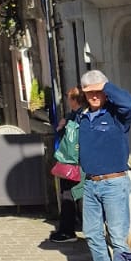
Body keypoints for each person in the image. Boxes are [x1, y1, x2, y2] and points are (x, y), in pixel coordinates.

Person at [75, 69, 131, 261]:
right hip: (91, 183)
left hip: (114, 182)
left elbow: (130, 104)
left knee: (118, 235)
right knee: (91, 232)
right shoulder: (82, 117)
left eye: (97, 92)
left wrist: (106, 86)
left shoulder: (117, 116)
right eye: (89, 92)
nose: (94, 96)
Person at [47, 88, 84, 243]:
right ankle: (70, 228)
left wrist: (63, 126)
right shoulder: (73, 116)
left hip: (74, 162)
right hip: (74, 161)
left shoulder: (79, 118)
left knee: (69, 195)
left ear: (74, 100)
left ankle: (67, 231)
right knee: (71, 195)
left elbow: (70, 141)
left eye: (69, 98)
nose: (68, 101)